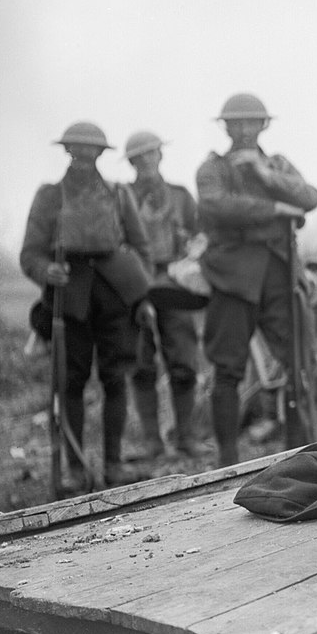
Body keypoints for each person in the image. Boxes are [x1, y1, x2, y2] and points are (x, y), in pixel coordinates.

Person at [20, 122, 155, 491]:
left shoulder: (117, 193)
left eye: (90, 150)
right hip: (69, 302)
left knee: (116, 378)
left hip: (115, 296)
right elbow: (30, 253)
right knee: (71, 383)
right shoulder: (50, 196)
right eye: (76, 150)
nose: (82, 157)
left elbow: (141, 249)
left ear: (100, 153)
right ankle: (76, 469)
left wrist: (142, 295)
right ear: (67, 152)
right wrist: (47, 271)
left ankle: (113, 466)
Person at [196, 93, 317, 467]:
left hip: (279, 272)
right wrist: (274, 209)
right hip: (233, 275)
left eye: (254, 122)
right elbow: (217, 206)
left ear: (264, 126)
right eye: (238, 123)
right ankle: (228, 459)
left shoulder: (277, 165)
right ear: (227, 127)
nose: (246, 130)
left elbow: (310, 197)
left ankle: (303, 451)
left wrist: (266, 176)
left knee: (298, 362)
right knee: (228, 367)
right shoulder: (213, 168)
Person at [123, 130, 204, 461]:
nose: (146, 161)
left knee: (183, 360)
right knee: (141, 363)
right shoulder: (121, 196)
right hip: (134, 285)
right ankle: (152, 442)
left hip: (174, 284)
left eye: (151, 153)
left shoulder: (181, 197)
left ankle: (185, 438)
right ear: (131, 162)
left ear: (161, 155)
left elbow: (201, 237)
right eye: (139, 157)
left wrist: (190, 259)